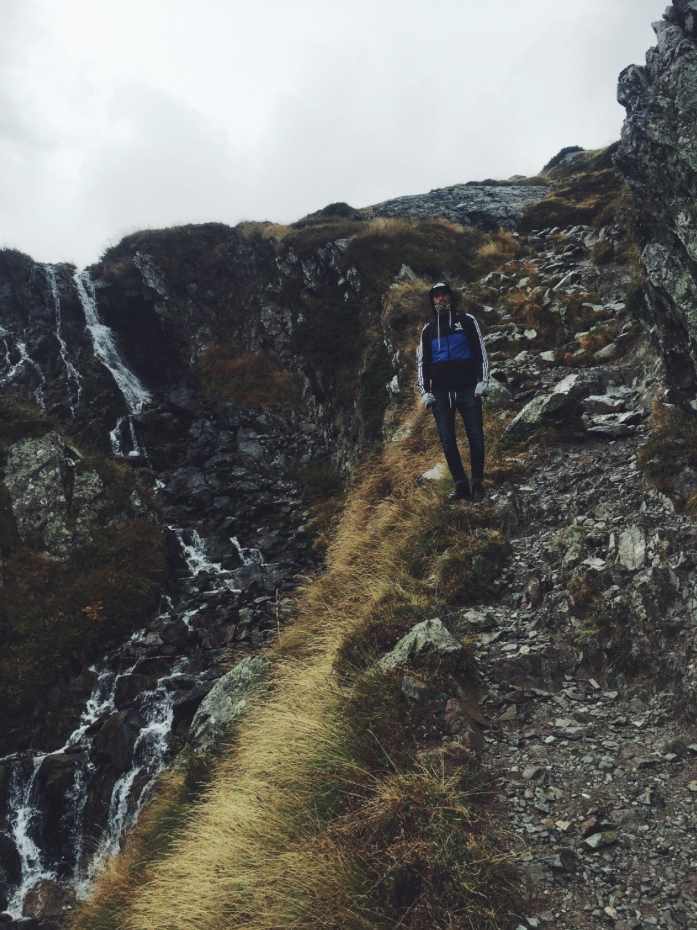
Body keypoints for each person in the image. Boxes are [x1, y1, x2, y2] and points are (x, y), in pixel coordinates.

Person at [417, 281, 489, 501]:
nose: (441, 299)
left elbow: (480, 352)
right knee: (448, 442)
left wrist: (483, 381)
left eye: (444, 295)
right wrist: (424, 392)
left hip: (469, 389)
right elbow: (422, 363)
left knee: (476, 438)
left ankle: (478, 484)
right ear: (432, 301)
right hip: (440, 393)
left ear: (451, 296)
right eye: (436, 296)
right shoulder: (428, 330)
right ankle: (461, 486)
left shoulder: (467, 320)